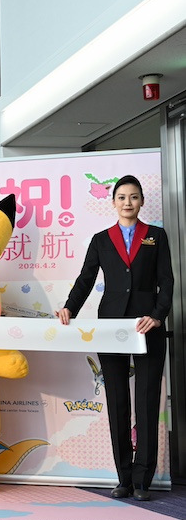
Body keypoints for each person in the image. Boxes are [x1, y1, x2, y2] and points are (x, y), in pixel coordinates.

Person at [55, 175, 173, 501]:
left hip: (148, 327)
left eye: (133, 197)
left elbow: (167, 281)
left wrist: (158, 316)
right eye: (122, 197)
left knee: (147, 403)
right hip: (111, 328)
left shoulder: (156, 237)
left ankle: (143, 480)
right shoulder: (101, 239)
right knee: (118, 403)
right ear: (114, 202)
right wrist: (69, 308)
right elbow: (85, 279)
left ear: (140, 202)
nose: (127, 202)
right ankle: (124, 478)